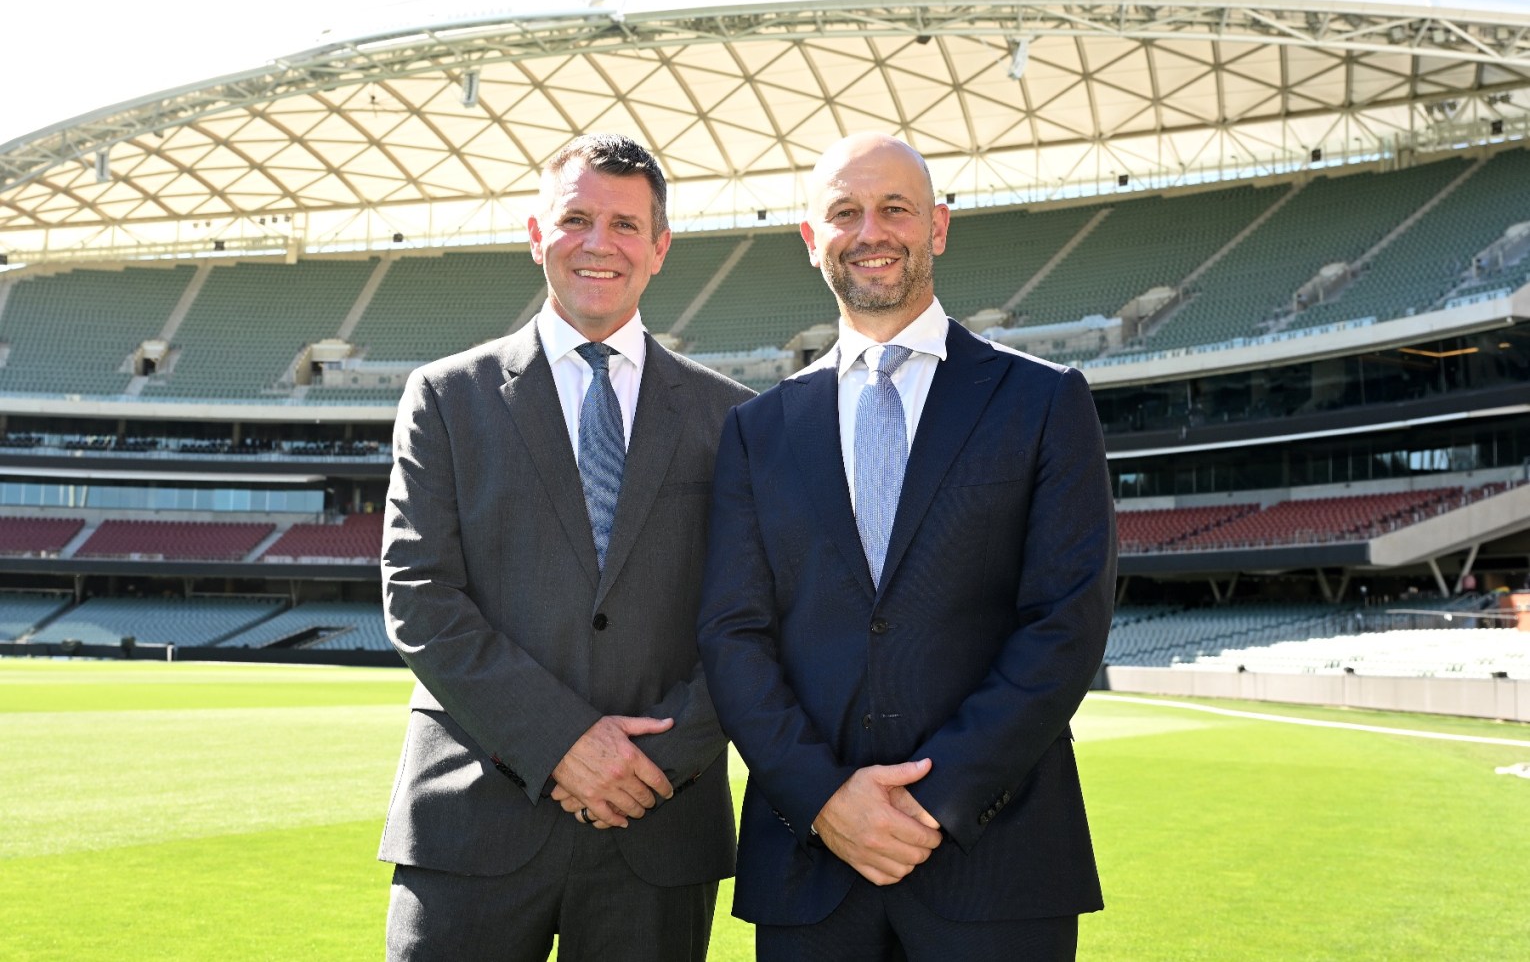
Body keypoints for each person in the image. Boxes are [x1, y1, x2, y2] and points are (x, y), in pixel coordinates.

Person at [696, 132, 1116, 961]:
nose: (872, 231)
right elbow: (732, 634)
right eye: (845, 212)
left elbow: (1066, 621)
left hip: (995, 864)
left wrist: (935, 801)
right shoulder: (758, 430)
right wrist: (823, 800)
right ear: (812, 240)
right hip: (809, 869)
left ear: (938, 227)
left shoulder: (1042, 400)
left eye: (896, 209)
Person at [380, 133, 753, 961]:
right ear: (534, 234)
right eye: (575, 218)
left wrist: (658, 762)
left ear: (659, 248)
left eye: (624, 224)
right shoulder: (446, 397)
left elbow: (752, 617)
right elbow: (419, 595)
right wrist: (563, 746)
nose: (598, 243)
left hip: (657, 825)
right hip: (470, 824)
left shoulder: (734, 420)